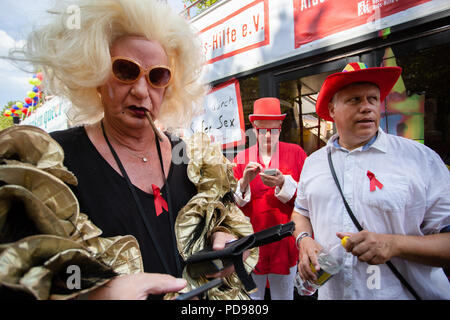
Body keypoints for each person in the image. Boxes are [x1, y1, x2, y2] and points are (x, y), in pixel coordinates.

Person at [18, 0, 249, 300]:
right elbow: (22, 273)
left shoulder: (195, 159)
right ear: (96, 73)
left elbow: (223, 216)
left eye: (157, 76)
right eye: (125, 70)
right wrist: (97, 294)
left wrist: (222, 239)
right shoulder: (54, 160)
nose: (142, 90)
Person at [291, 62, 450, 299]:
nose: (366, 107)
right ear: (332, 110)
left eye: (372, 99)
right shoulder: (313, 163)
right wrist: (304, 240)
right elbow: (300, 212)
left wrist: (394, 245)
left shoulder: (420, 160)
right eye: (354, 100)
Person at [233, 97, 307, 300]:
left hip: (284, 242)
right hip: (253, 243)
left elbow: (307, 199)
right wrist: (245, 181)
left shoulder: (296, 154)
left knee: (284, 296)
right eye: (261, 130)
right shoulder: (241, 159)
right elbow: (235, 207)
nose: (267, 136)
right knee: (254, 298)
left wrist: (284, 183)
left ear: (280, 128)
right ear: (254, 129)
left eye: (273, 130)